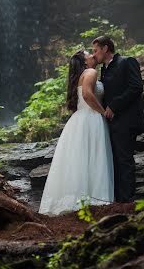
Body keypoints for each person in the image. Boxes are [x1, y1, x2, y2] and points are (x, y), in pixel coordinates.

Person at [38, 49, 114, 215]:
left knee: (78, 160)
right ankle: (96, 200)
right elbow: (87, 95)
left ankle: (73, 201)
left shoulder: (79, 77)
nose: (93, 55)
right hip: (92, 118)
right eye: (89, 53)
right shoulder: (91, 72)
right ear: (84, 62)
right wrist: (103, 112)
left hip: (78, 120)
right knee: (95, 157)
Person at [92, 36, 144, 203]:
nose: (94, 55)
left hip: (127, 121)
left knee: (124, 160)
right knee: (115, 160)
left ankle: (129, 201)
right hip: (113, 123)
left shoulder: (127, 61)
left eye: (95, 50)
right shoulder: (104, 69)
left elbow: (136, 87)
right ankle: (120, 200)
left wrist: (114, 106)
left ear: (105, 48)